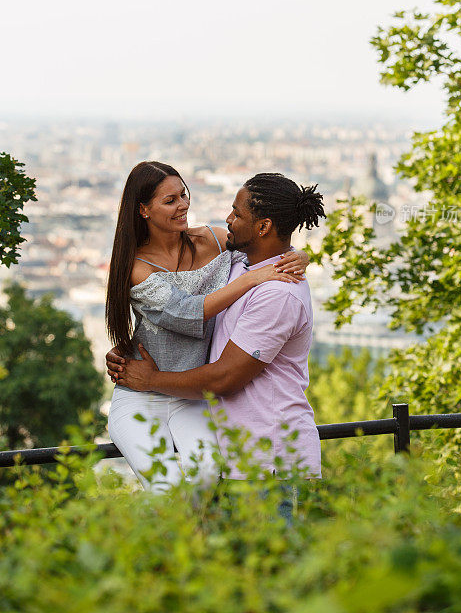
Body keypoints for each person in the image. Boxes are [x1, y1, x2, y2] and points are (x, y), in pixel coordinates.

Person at [107, 172, 326, 482]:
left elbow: (224, 377)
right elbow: (183, 312)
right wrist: (286, 260)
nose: (183, 205)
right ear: (143, 209)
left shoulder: (269, 285)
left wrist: (299, 256)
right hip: (240, 446)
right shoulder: (239, 262)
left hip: (268, 454)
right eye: (171, 200)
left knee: (203, 480)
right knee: (169, 487)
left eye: (183, 195)